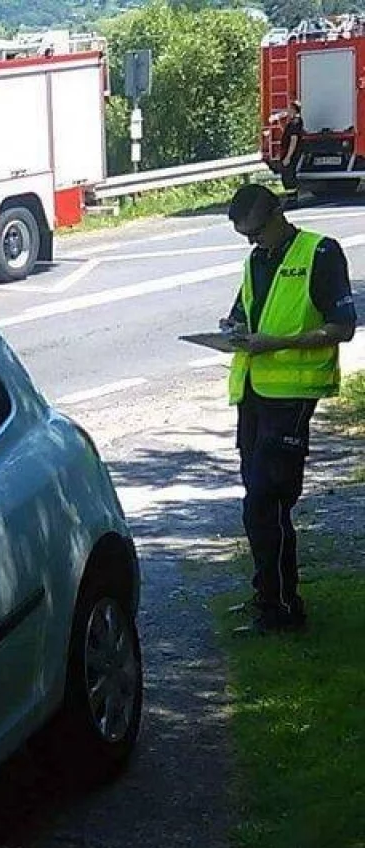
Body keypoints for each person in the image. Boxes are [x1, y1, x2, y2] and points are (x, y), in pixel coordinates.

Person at [221, 183, 356, 632]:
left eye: (257, 232)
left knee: (267, 500)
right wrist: (233, 329)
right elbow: (245, 313)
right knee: (255, 501)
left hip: (293, 395)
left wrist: (281, 343)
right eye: (245, 236)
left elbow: (342, 327)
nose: (253, 242)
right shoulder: (255, 261)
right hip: (254, 392)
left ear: (278, 214)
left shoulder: (320, 253)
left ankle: (282, 608)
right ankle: (269, 596)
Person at [279, 101, 304, 201]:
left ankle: (292, 198)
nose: (287, 110)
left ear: (294, 110)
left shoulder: (295, 122)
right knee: (286, 175)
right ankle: (291, 197)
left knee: (288, 176)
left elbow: (294, 140)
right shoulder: (292, 122)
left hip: (291, 154)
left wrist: (288, 157)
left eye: (289, 108)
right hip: (288, 153)